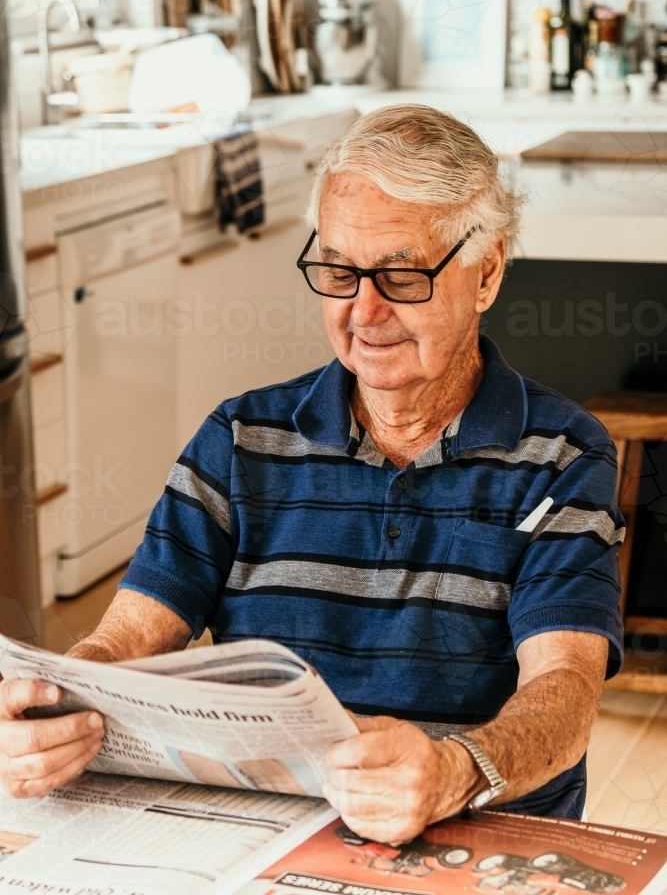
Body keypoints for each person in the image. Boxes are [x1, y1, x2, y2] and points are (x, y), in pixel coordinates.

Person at [0, 105, 624, 845]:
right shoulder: (239, 439)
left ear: (485, 271)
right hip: (270, 835)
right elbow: (126, 638)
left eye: (398, 273)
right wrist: (51, 706)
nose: (362, 311)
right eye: (337, 270)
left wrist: (454, 771)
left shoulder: (561, 454)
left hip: (474, 829)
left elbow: (564, 689)